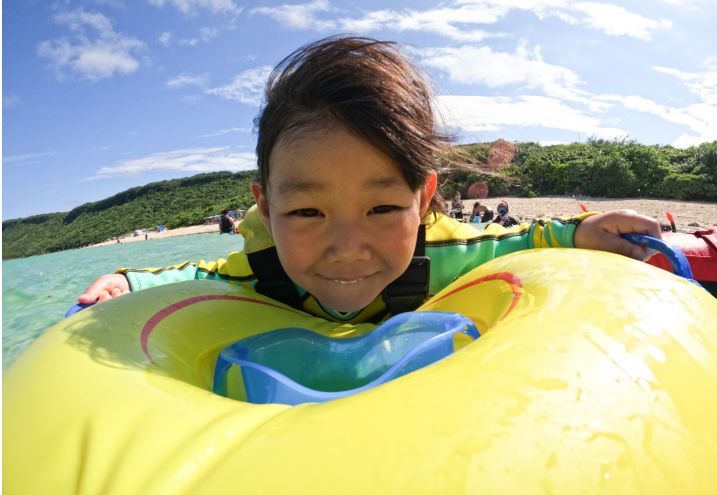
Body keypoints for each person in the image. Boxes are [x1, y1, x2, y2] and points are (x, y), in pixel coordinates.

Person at [76, 36, 659, 325]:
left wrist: (581, 232)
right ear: (268, 207)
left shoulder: (445, 258)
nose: (347, 249)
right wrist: (125, 284)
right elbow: (197, 273)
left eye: (381, 209)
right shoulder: (262, 270)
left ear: (423, 199)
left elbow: (523, 241)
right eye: (307, 212)